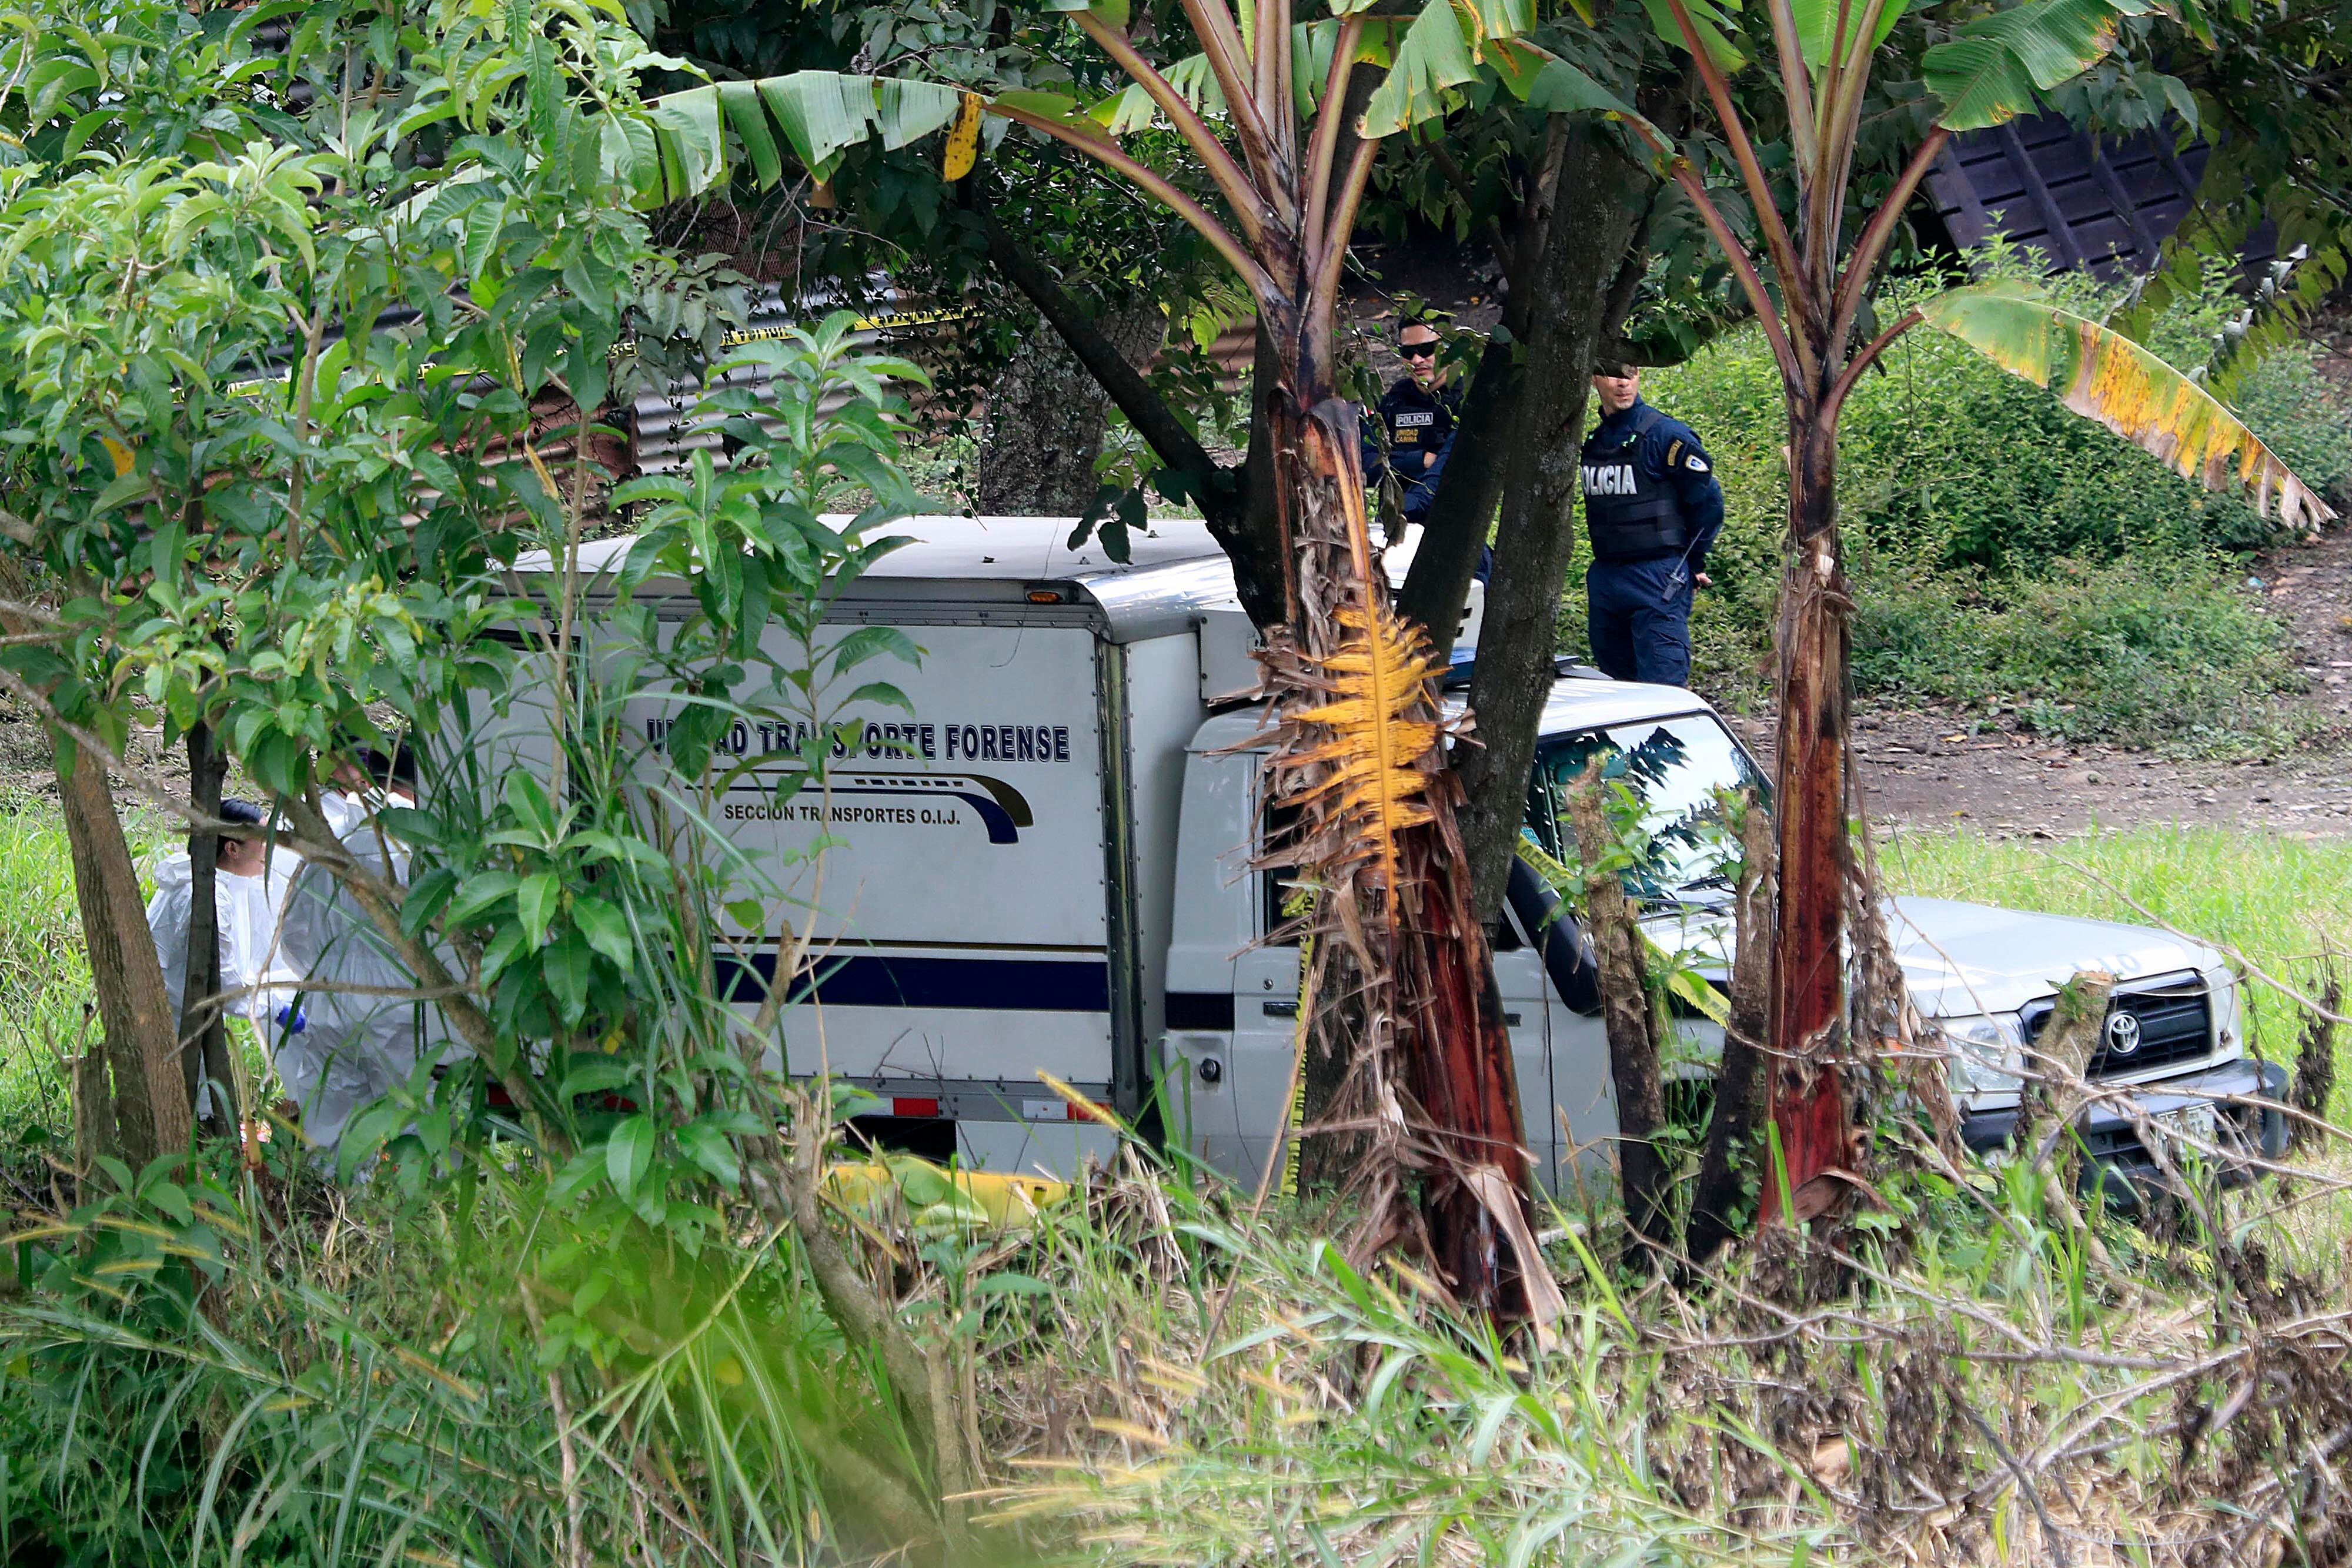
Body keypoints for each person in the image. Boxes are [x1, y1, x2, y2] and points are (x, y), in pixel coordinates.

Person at [277, 744, 433, 1155]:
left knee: (332, 1130)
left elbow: (292, 928)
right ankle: (420, 1210)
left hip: (331, 1006)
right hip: (398, 1010)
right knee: (418, 1120)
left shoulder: (331, 842)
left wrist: (327, 972)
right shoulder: (417, 848)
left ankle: (337, 1211)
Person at [144, 799, 303, 1116]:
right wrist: (275, 1009)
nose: (269, 852)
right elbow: (226, 984)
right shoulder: (207, 897)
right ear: (232, 849)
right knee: (193, 1107)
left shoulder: (215, 881)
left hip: (184, 1011)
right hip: (175, 1017)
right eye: (262, 843)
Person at [1579, 361, 1725, 687]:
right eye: (1614, 374)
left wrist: (1694, 561)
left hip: (1657, 578)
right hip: (1606, 579)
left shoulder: (1665, 435)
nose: (1623, 383)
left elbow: (1709, 502)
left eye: (1630, 373)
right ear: (1594, 379)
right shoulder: (1595, 441)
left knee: (1663, 692)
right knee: (1620, 691)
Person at [1363, 317, 1462, 542]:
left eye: (1426, 349)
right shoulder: (1390, 403)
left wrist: (1393, 467)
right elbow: (1362, 464)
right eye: (1408, 352)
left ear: (1449, 349)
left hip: (1452, 537)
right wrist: (1419, 461)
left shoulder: (1467, 403)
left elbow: (1445, 475)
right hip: (1393, 534)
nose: (1417, 359)